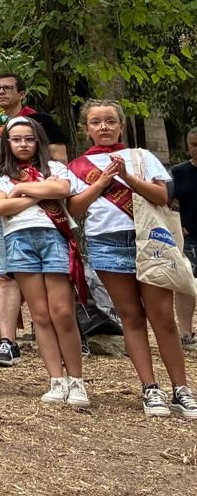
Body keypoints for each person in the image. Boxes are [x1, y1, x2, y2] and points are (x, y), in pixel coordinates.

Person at [66, 99, 194, 418]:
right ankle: (150, 388)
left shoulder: (142, 157)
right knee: (130, 317)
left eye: (110, 121)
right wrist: (101, 183)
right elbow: (76, 209)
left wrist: (128, 177)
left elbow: (163, 196)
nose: (104, 127)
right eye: (96, 122)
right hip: (106, 241)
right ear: (87, 129)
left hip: (148, 239)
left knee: (162, 315)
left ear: (121, 125)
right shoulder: (78, 166)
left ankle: (181, 389)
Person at [0, 117, 89, 407]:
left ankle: (76, 380)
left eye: (28, 139)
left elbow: (62, 190)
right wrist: (34, 192)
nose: (22, 144)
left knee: (62, 312)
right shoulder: (0, 177)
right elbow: (0, 207)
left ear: (38, 141)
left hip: (53, 237)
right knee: (40, 314)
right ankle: (56, 379)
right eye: (16, 139)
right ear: (7, 144)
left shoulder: (55, 168)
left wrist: (21, 191)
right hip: (19, 242)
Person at [171, 128, 197, 345]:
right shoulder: (178, 172)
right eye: (194, 144)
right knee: (185, 284)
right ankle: (186, 333)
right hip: (188, 236)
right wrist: (178, 225)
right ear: (188, 146)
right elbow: (165, 203)